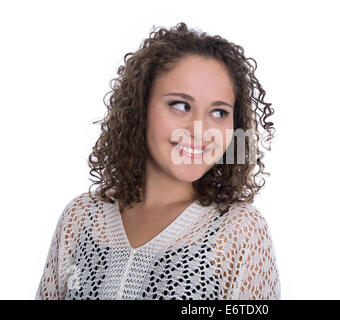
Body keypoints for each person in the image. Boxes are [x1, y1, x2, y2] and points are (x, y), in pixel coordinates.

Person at [35, 22, 280, 300]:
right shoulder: (80, 218)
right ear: (141, 108)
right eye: (180, 105)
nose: (199, 130)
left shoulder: (239, 231)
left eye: (219, 112)